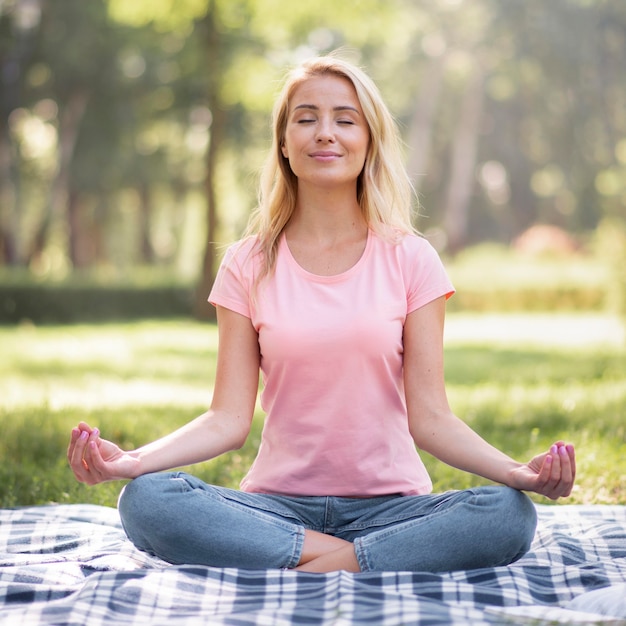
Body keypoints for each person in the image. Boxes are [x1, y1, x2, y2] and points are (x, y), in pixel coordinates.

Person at [68, 54, 576, 574]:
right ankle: (352, 562)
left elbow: (433, 419)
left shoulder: (411, 257)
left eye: (345, 119)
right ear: (284, 144)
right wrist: (132, 462)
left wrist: (519, 474)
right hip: (278, 510)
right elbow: (227, 419)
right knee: (147, 499)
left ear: (369, 141)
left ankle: (308, 563)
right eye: (306, 118)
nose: (325, 133)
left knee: (508, 515)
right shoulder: (247, 263)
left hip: (393, 509)